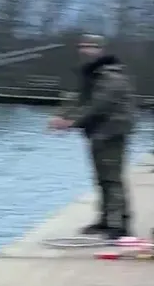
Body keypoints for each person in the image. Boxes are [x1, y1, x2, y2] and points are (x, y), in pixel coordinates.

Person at [48, 34, 136, 238]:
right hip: (97, 132)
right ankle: (105, 220)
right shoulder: (92, 74)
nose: (84, 50)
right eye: (82, 46)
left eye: (90, 46)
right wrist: (61, 115)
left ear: (100, 50)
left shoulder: (111, 76)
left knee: (112, 179)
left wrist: (71, 123)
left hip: (112, 132)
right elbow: (78, 99)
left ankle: (120, 225)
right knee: (101, 179)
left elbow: (98, 105)